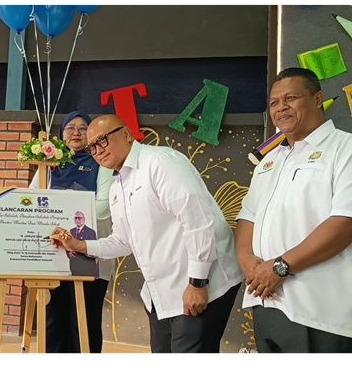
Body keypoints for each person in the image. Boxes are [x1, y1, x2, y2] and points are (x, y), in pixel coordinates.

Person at [50, 114, 243, 353]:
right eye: (92, 147)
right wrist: (79, 245)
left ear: (126, 134)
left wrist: (197, 282)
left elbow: (198, 222)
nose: (98, 150)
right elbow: (122, 241)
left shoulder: (160, 162)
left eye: (102, 140)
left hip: (201, 284)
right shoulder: (117, 185)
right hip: (161, 294)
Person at [236, 67, 352, 352]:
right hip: (266, 301)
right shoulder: (269, 160)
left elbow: (345, 223)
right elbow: (247, 217)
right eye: (274, 102)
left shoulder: (345, 148)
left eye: (291, 98)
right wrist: (248, 262)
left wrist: (280, 267)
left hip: (319, 310)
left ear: (317, 99)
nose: (281, 108)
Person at [30, 111, 114, 353]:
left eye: (83, 128)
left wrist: (58, 214)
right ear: (61, 134)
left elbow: (102, 208)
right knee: (53, 319)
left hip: (89, 256)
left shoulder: (101, 162)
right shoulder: (48, 164)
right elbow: (33, 200)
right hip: (53, 254)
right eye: (70, 128)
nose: (76, 133)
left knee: (84, 321)